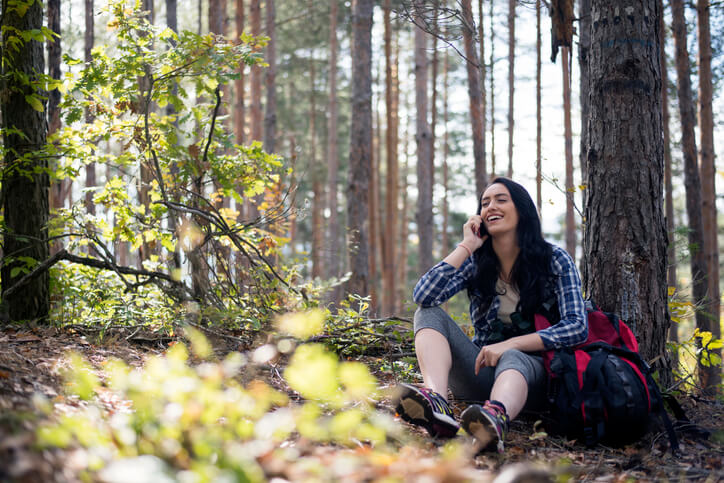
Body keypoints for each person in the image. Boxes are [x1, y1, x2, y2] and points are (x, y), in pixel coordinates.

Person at [393, 177, 587, 452]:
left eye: (500, 200)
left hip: (537, 380)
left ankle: (494, 419)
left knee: (513, 356)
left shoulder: (554, 260)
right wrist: (467, 246)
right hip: (482, 375)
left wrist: (511, 344)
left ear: (522, 210)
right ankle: (436, 401)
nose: (490, 207)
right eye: (485, 203)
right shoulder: (476, 262)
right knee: (428, 314)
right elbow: (423, 296)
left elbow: (577, 327)